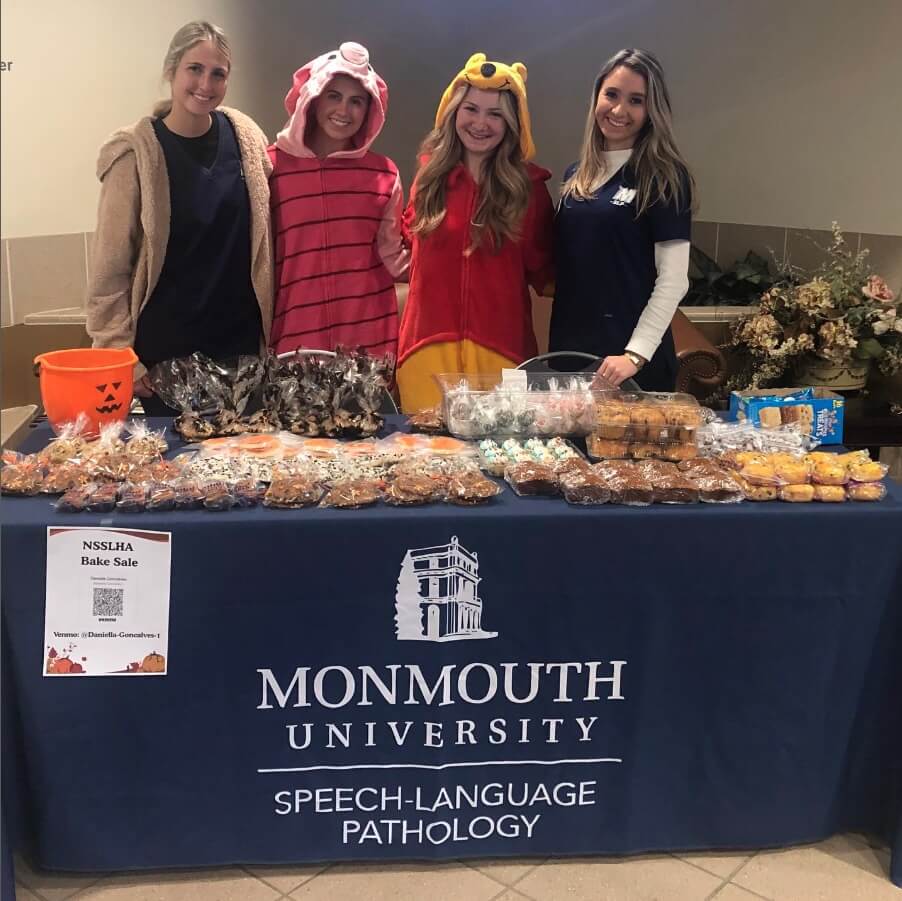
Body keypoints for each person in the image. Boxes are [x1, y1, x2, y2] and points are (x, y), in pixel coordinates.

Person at [86, 21, 274, 415]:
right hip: (164, 367)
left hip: (241, 360)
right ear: (172, 71)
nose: (205, 83)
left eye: (217, 73)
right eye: (195, 69)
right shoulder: (135, 156)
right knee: (173, 476)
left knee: (246, 471)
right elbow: (108, 275)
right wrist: (121, 358)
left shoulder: (248, 141)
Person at [396, 53, 554, 412]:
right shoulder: (428, 180)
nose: (481, 123)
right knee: (426, 464)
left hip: (502, 357)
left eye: (495, 114)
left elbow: (546, 272)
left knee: (499, 463)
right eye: (471, 109)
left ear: (513, 123)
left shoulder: (529, 189)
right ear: (453, 112)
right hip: (424, 355)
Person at [550, 48, 696, 392]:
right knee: (564, 448)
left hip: (628, 366)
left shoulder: (663, 176)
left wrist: (634, 355)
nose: (619, 110)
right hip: (569, 353)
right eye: (611, 95)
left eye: (636, 100)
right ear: (596, 96)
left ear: (651, 110)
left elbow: (674, 280)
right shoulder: (577, 175)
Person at [268, 42, 408, 360]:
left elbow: (393, 257)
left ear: (370, 110)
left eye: (356, 101)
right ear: (313, 97)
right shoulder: (269, 167)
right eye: (334, 96)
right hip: (293, 345)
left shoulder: (384, 174)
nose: (344, 111)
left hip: (368, 347)